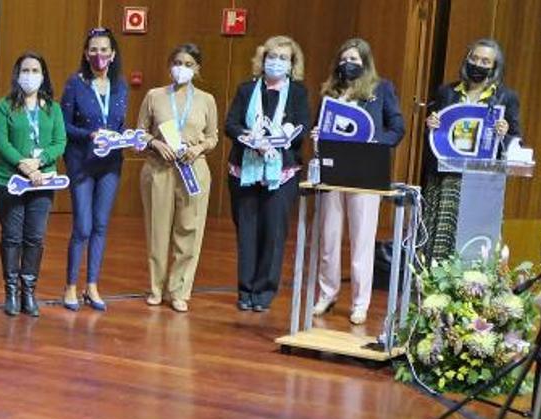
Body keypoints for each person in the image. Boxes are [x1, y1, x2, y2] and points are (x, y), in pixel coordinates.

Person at [310, 38, 406, 325]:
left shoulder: (382, 89)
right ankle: (327, 293)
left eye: (353, 59)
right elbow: (320, 126)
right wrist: (317, 135)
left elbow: (397, 128)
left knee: (362, 239)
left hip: (365, 173)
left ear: (365, 62)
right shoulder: (330, 91)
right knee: (328, 236)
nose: (347, 64)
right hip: (334, 171)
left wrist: (375, 143)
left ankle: (360, 302)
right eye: (343, 58)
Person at [224, 35, 311, 313]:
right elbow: (231, 124)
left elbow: (303, 127)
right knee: (247, 231)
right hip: (245, 169)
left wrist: (284, 135)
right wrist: (249, 138)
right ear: (262, 60)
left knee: (273, 232)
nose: (275, 62)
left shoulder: (298, 93)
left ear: (292, 64)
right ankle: (245, 290)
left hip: (282, 172)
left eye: (282, 58)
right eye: (271, 57)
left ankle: (264, 291)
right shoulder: (246, 89)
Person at [136, 43, 218, 313]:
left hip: (193, 170)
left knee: (189, 231)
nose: (181, 69)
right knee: (157, 230)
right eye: (178, 63)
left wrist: (198, 148)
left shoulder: (206, 99)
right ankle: (155, 288)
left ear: (198, 69)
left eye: (188, 64)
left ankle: (180, 290)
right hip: (159, 169)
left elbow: (213, 136)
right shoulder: (154, 96)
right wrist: (155, 144)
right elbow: (139, 133)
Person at [422, 38, 521, 260]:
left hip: (482, 181)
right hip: (446, 177)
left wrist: (505, 133)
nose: (478, 64)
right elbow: (433, 137)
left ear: (495, 68)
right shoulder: (447, 92)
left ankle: (472, 289)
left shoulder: (506, 97)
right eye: (474, 58)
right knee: (440, 239)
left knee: (474, 241)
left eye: (485, 61)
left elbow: (516, 139)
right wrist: (430, 126)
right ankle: (434, 286)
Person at [0, 52, 66, 317]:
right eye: (26, 70)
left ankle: (29, 292)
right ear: (17, 74)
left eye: (35, 70)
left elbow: (60, 142)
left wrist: (41, 161)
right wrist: (23, 165)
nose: (30, 75)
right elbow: (0, 141)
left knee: (35, 237)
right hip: (9, 181)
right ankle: (10, 291)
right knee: (12, 236)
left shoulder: (52, 108)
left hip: (42, 182)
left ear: (43, 76)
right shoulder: (5, 105)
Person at [60, 27, 129, 311]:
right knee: (83, 227)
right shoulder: (75, 84)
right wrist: (89, 135)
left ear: (112, 54)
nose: (99, 55)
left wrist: (125, 137)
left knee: (101, 225)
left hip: (110, 164)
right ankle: (71, 287)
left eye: (104, 49)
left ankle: (92, 285)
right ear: (86, 54)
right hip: (82, 163)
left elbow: (120, 124)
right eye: (93, 49)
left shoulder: (121, 85)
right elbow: (63, 126)